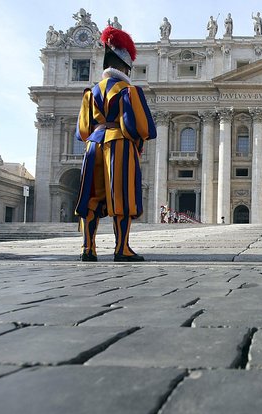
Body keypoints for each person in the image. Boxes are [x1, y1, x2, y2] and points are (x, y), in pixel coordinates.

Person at [75, 26, 157, 262]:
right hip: (119, 144)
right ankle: (122, 248)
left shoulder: (90, 93)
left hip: (93, 145)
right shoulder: (128, 91)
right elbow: (139, 126)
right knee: (122, 195)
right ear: (125, 67)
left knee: (91, 196)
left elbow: (82, 129)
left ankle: (87, 248)